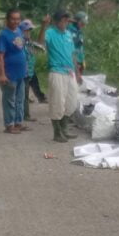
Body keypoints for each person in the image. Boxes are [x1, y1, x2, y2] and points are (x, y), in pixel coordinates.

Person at [40, 11, 79, 143]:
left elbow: (73, 54)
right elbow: (40, 44)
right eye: (63, 20)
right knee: (57, 103)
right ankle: (57, 133)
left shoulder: (68, 34)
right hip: (56, 71)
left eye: (67, 20)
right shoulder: (50, 33)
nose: (65, 23)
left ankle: (64, 129)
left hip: (70, 73)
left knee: (72, 102)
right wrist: (43, 26)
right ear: (56, 21)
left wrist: (77, 73)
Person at [0, 9, 30, 134]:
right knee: (9, 99)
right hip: (10, 73)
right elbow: (0, 56)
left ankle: (18, 122)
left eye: (18, 19)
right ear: (7, 20)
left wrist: (25, 67)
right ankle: (9, 125)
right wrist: (2, 73)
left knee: (20, 99)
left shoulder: (19, 31)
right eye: (13, 19)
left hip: (21, 72)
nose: (15, 21)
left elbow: (21, 50)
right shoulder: (3, 35)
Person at [19, 20, 40, 122]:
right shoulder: (20, 41)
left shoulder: (29, 42)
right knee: (23, 96)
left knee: (25, 95)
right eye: (26, 31)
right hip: (23, 73)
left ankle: (24, 114)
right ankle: (24, 115)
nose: (28, 33)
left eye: (29, 31)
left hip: (29, 72)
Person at [69, 11, 87, 82]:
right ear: (76, 21)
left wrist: (82, 60)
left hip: (79, 60)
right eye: (82, 23)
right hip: (72, 61)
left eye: (84, 23)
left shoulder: (79, 32)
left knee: (78, 82)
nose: (83, 25)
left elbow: (80, 47)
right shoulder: (69, 30)